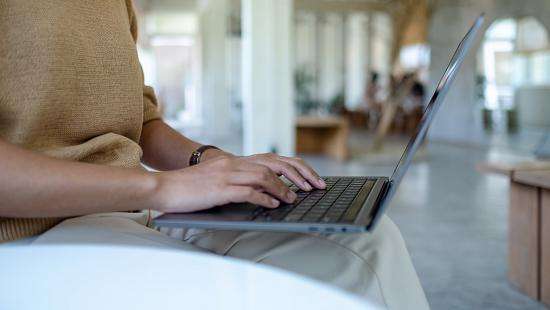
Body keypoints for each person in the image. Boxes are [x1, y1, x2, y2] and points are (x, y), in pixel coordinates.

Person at [0, 2, 429, 309]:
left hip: (120, 213)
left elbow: (142, 117)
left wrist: (214, 162)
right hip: (28, 236)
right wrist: (161, 188)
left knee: (370, 242)